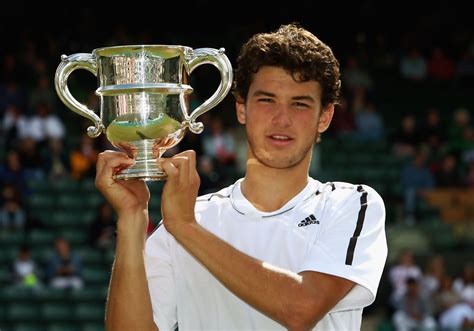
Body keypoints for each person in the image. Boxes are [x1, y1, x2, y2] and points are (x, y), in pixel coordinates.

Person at [95, 23, 388, 330]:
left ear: (324, 117)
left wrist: (186, 227)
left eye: (300, 104)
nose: (282, 119)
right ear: (241, 109)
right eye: (266, 100)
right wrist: (132, 219)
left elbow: (301, 309)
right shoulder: (187, 220)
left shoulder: (349, 204)